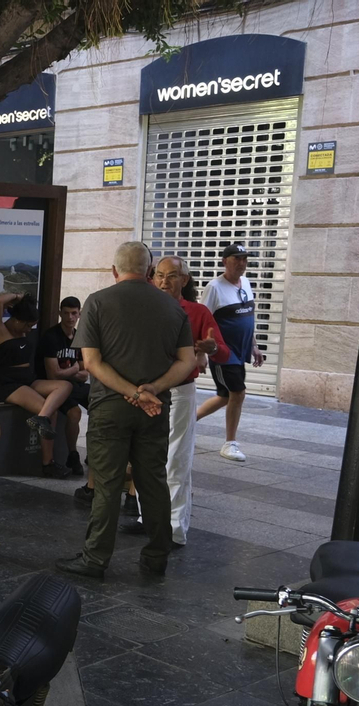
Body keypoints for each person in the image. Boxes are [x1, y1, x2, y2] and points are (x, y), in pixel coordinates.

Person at [55, 242, 195, 580]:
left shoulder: (98, 302)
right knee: (154, 481)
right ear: (149, 272)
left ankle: (95, 558)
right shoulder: (173, 307)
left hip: (109, 408)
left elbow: (92, 362)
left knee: (107, 484)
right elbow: (187, 361)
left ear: (114, 271)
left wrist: (131, 391)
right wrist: (153, 390)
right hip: (154, 410)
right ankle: (157, 555)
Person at [143, 256, 228, 548]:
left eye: (172, 276)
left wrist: (212, 347)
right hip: (145, 393)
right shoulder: (144, 308)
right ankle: (149, 519)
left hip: (179, 392)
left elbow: (224, 352)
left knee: (176, 459)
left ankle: (175, 528)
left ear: (185, 280)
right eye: (159, 275)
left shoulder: (197, 312)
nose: (165, 281)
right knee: (148, 458)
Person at [0, 293, 70, 477]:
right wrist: (18, 296)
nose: (29, 330)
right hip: (9, 384)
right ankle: (48, 463)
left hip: (28, 380)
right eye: (27, 325)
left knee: (64, 386)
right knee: (50, 411)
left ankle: (41, 419)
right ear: (16, 320)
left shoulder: (20, 330)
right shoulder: (0, 330)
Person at [196, 243, 265, 462]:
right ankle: (230, 443)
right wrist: (201, 353)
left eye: (245, 259)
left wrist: (254, 346)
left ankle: (186, 422)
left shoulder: (245, 282)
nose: (242, 264)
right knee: (238, 393)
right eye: (237, 259)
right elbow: (202, 319)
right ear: (225, 261)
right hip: (224, 352)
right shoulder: (214, 287)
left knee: (225, 396)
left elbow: (248, 318)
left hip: (241, 351)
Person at [41, 296, 89, 479]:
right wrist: (76, 368)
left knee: (102, 403)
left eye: (74, 313)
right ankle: (73, 454)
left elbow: (86, 372)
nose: (70, 317)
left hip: (76, 384)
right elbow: (53, 374)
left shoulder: (80, 336)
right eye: (66, 313)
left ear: (79, 314)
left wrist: (73, 371)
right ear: (60, 313)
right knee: (74, 412)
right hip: (56, 387)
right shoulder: (51, 337)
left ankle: (93, 454)